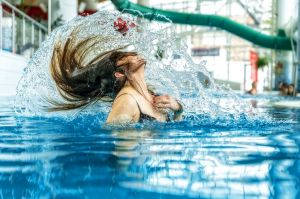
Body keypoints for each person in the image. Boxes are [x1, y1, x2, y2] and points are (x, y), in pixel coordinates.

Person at [49, 28, 183, 124]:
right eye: (122, 56)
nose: (131, 53)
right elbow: (120, 158)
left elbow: (177, 123)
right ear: (119, 73)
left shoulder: (151, 94)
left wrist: (177, 108)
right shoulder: (127, 101)